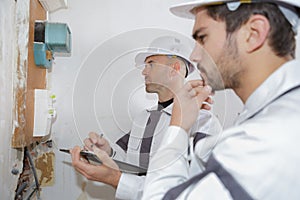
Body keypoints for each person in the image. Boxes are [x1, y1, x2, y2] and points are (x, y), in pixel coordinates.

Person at [142, 0, 300, 199]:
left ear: (254, 34)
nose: (194, 55)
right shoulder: (273, 114)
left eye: (202, 37)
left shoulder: (270, 136)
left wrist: (178, 127)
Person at [70, 35, 222, 199]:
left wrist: (114, 179)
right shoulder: (142, 119)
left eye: (150, 64)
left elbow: (191, 191)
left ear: (175, 69)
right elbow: (131, 166)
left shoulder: (203, 123)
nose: (144, 71)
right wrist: (108, 152)